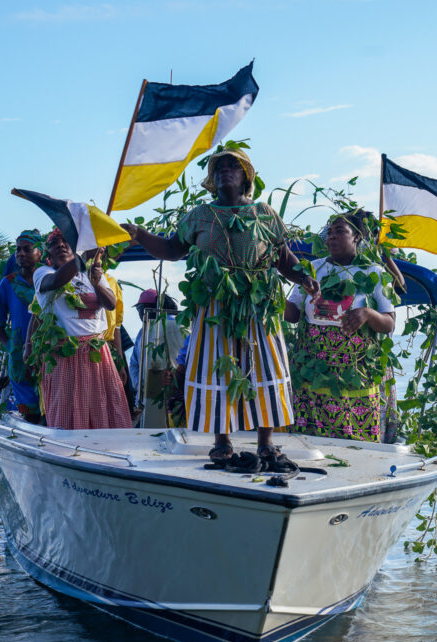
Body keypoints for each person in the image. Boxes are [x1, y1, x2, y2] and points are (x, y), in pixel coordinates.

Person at [121, 148, 319, 467]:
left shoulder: (264, 214)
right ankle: (221, 440)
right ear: (212, 180)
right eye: (219, 168)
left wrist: (304, 277)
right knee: (217, 365)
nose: (225, 171)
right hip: (214, 303)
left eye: (233, 166)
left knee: (264, 365)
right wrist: (141, 235)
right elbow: (172, 249)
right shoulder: (200, 215)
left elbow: (284, 260)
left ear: (246, 177)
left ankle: (266, 443)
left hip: (258, 303)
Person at [285, 211, 395, 443]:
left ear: (356, 237)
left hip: (355, 374)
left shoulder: (372, 272)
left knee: (357, 444)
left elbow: (389, 323)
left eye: (340, 232)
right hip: (312, 372)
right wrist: (270, 296)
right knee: (308, 442)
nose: (331, 238)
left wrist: (367, 313)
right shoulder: (312, 270)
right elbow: (292, 315)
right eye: (330, 233)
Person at [32, 229, 131, 430]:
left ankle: (104, 453)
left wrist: (97, 283)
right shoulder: (44, 273)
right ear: (48, 254)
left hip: (97, 352)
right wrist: (83, 256)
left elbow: (110, 304)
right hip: (65, 353)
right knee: (69, 412)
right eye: (54, 243)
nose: (60, 245)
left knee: (105, 408)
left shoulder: (91, 273)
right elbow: (57, 281)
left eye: (65, 241)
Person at [0, 229, 44, 422]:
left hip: (50, 352)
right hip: (20, 357)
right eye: (18, 250)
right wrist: (11, 347)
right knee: (30, 414)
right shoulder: (8, 284)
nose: (21, 254)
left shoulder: (50, 279)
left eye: (27, 249)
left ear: (40, 252)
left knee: (54, 409)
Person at [128, 290, 181, 397]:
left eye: (140, 308)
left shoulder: (173, 326)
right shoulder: (142, 331)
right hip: (147, 393)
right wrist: (141, 387)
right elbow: (134, 364)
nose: (139, 312)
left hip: (172, 391)